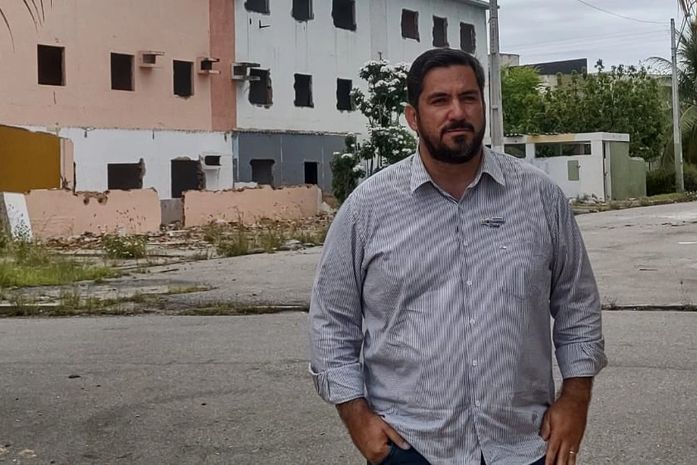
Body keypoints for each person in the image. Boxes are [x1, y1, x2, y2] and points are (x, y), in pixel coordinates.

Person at [308, 48, 607, 465]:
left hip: (525, 443)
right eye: (439, 100)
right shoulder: (368, 208)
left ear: (483, 105)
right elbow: (332, 318)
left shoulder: (539, 197)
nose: (457, 113)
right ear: (413, 117)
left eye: (468, 98)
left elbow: (578, 304)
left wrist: (576, 399)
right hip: (412, 448)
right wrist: (356, 417)